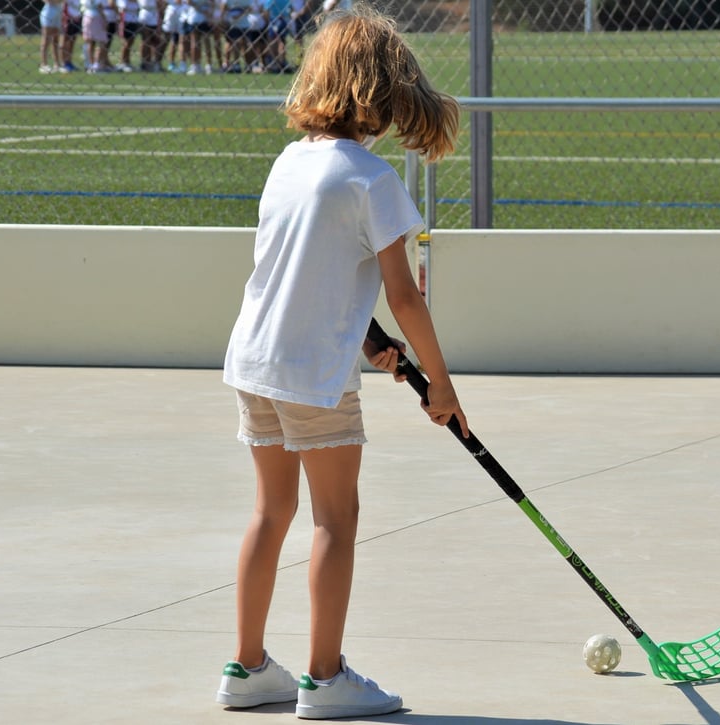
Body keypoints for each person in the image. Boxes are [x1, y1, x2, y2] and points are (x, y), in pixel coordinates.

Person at [217, 5, 465, 719]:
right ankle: (325, 679)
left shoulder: (290, 162)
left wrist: (367, 339)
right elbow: (405, 297)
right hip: (313, 380)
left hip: (255, 362)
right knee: (335, 518)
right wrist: (441, 386)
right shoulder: (372, 179)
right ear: (385, 93)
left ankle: (248, 666)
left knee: (271, 511)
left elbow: (302, 273)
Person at [38, 0, 64, 73]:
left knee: (55, 39)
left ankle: (57, 64)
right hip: (49, 11)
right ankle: (43, 64)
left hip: (58, 11)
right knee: (46, 39)